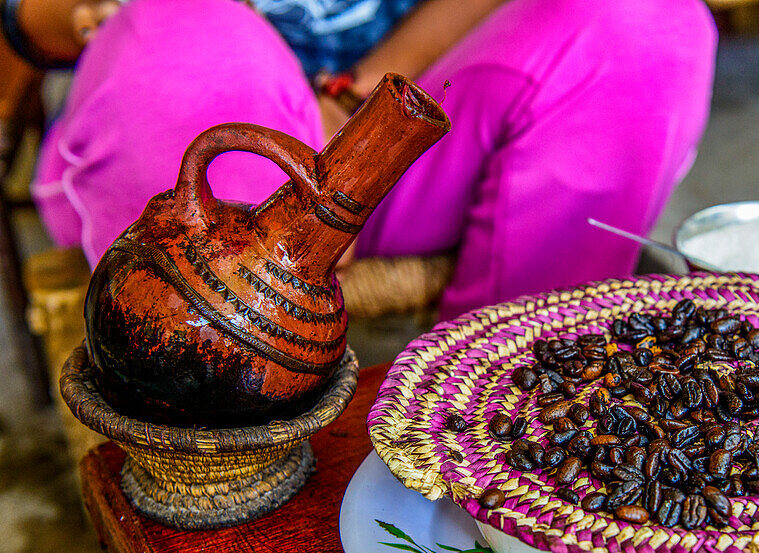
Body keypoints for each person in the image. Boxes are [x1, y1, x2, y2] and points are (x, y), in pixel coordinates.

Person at [8, 0, 718, 320]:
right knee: (194, 32)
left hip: (387, 122)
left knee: (642, 20)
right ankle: (224, 493)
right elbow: (29, 20)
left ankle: (508, 421)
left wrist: (360, 110)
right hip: (190, 139)